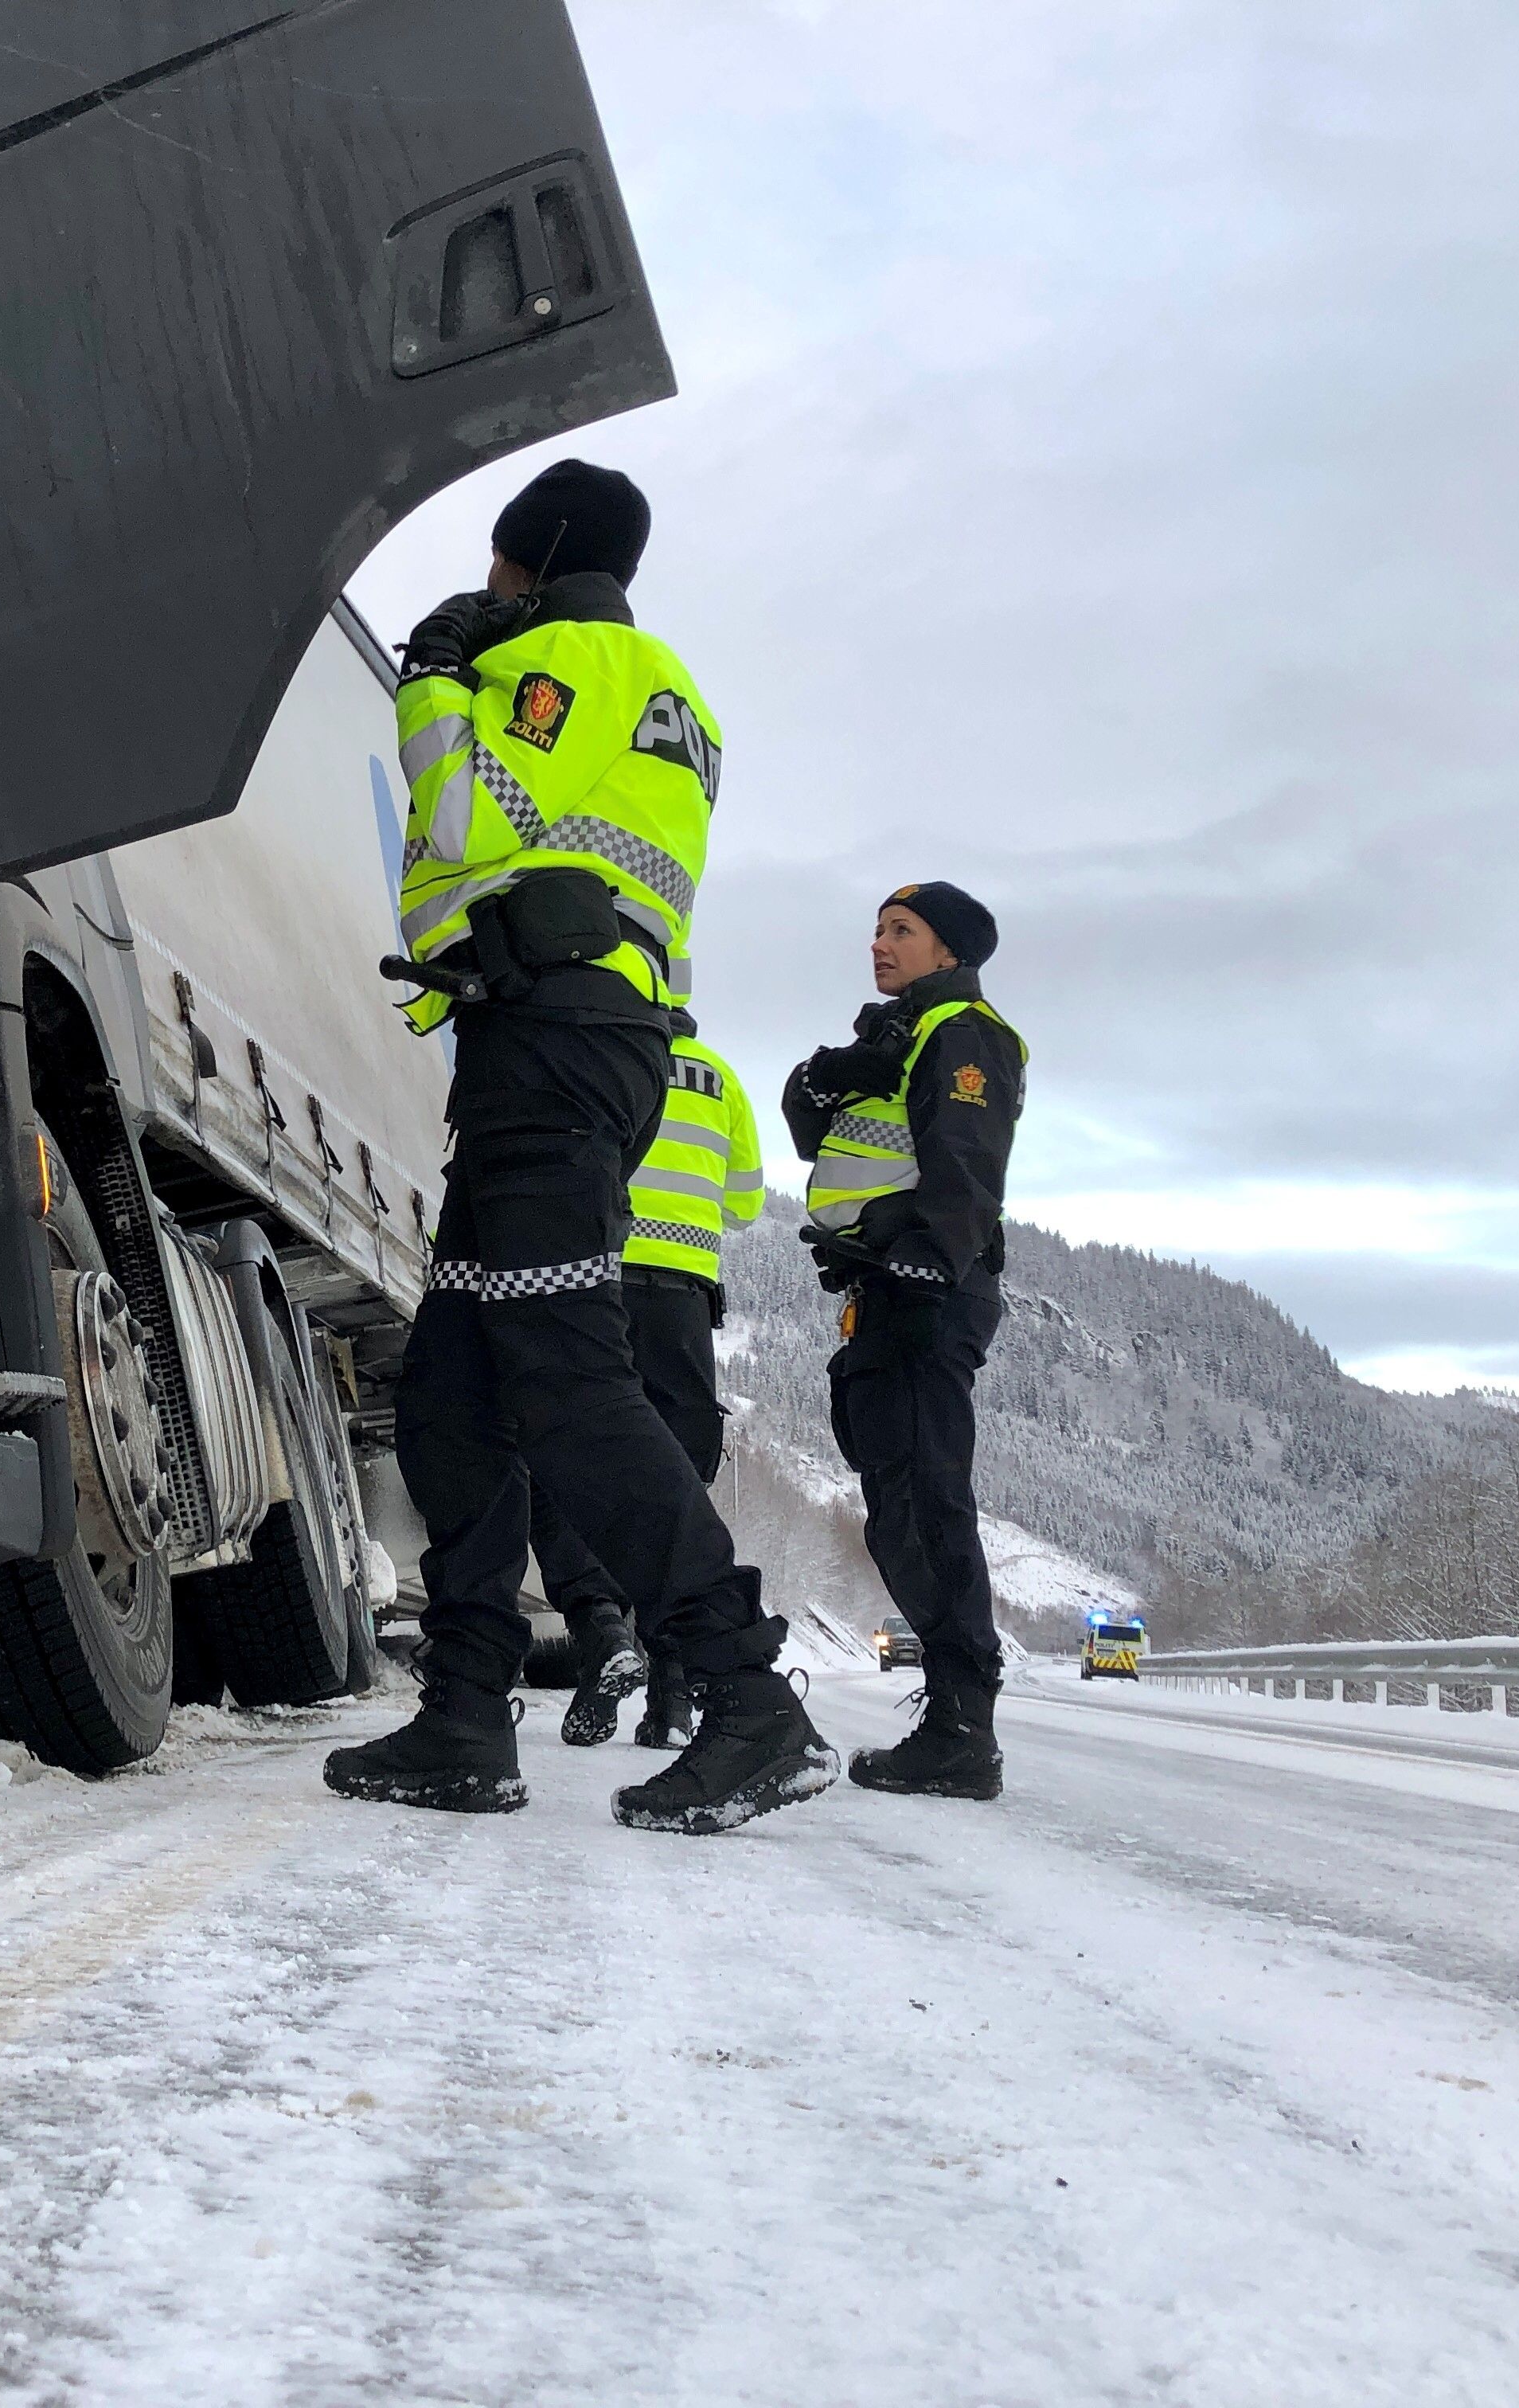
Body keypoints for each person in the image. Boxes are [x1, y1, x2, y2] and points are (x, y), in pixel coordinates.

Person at [324, 460, 836, 1832]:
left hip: (554, 1042)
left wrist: (434, 679)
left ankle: (749, 1699)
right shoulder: (669, 692)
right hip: (560, 1043)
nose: (483, 586)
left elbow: (474, 817)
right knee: (452, 1390)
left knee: (568, 1384)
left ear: (528, 557)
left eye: (497, 563)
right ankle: (464, 1712)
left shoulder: (561, 660)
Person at [784, 881, 1025, 1799]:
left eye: (902, 930)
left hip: (927, 1292)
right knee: (896, 1508)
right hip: (882, 1293)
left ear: (949, 951)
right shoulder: (896, 1036)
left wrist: (928, 1268)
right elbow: (817, 1133)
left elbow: (967, 1160)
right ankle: (955, 1719)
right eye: (878, 928)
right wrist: (826, 1074)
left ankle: (964, 1727)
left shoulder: (963, 1033)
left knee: (927, 1504)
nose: (880, 943)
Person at [523, 1015, 763, 1750]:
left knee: (565, 1453)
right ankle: (672, 1701)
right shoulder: (719, 1077)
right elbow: (745, 1202)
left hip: (596, 1276)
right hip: (683, 1303)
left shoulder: (598, 1045)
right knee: (673, 1482)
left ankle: (601, 1627)